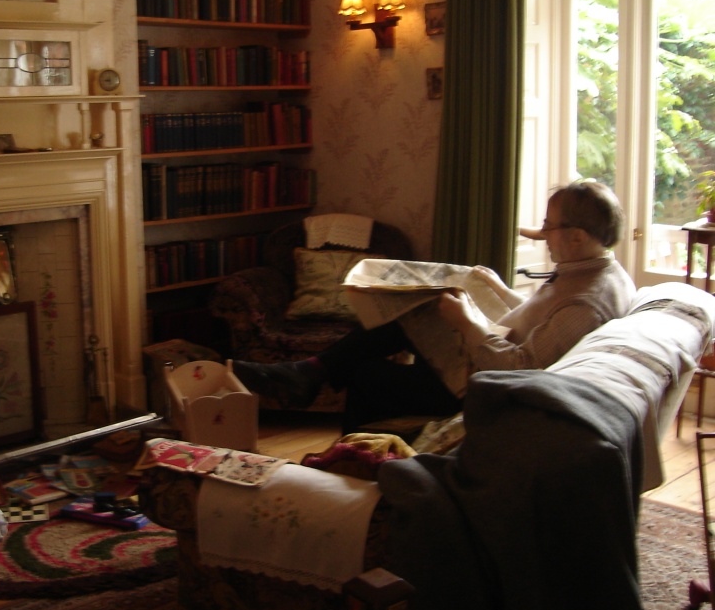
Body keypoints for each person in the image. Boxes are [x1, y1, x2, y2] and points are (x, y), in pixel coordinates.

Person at [234, 180, 636, 433]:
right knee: (413, 305)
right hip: (484, 358)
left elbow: (521, 369)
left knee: (368, 373)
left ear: (579, 237)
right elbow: (533, 320)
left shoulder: (586, 301)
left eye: (550, 226)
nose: (542, 234)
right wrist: (493, 289)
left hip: (483, 387)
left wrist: (466, 324)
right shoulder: (590, 272)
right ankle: (311, 377)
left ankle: (335, 426)